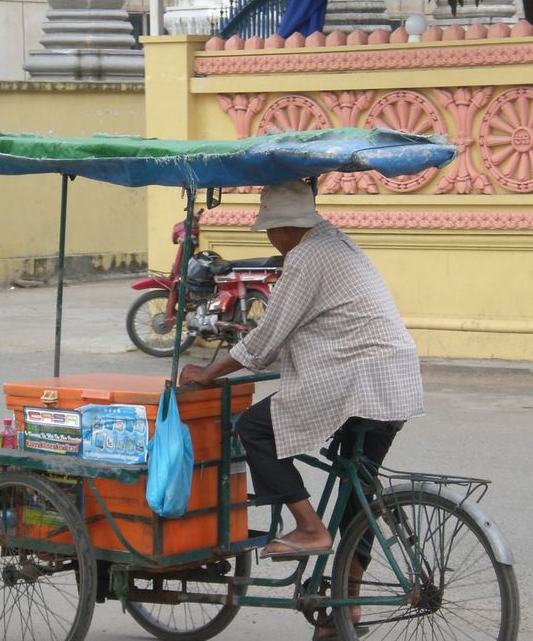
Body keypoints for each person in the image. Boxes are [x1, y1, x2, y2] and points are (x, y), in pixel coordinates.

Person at [178, 180, 424, 567]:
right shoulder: (336, 240)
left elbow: (267, 339)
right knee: (356, 492)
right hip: (395, 380)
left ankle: (309, 527)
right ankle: (348, 607)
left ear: (283, 228)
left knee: (255, 429)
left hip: (358, 380)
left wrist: (209, 374)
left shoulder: (306, 257)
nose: (273, 241)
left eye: (272, 232)